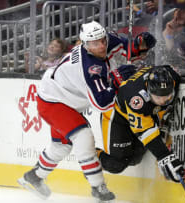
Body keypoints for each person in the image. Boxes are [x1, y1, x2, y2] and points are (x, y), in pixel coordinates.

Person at [17, 21, 156, 202]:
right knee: (83, 136)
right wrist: (115, 81)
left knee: (62, 146)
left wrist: (139, 45)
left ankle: (33, 177)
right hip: (54, 101)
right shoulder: (89, 68)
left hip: (61, 96)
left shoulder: (103, 41)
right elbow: (102, 104)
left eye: (102, 40)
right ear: (84, 44)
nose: (101, 46)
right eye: (94, 43)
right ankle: (98, 187)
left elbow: (127, 49)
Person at [97, 65, 185, 183]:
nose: (163, 101)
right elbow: (146, 131)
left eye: (168, 97)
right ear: (148, 92)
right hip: (117, 116)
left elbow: (166, 68)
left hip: (141, 115)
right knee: (116, 164)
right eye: (158, 98)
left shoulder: (172, 78)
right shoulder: (136, 99)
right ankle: (89, 155)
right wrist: (164, 157)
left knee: (135, 159)